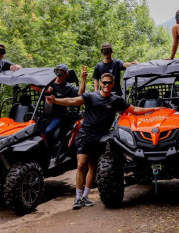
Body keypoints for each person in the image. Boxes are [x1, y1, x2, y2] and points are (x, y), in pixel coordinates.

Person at [46, 73, 161, 210]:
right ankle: (77, 198)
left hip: (101, 137)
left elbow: (133, 109)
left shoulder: (116, 100)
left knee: (93, 167)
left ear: (112, 84)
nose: (107, 85)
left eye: (109, 83)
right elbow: (73, 101)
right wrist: (56, 101)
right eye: (104, 82)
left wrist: (153, 110)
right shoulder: (91, 96)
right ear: (100, 83)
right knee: (81, 165)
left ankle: (86, 197)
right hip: (85, 135)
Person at [31, 64, 88, 148]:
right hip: (45, 115)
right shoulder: (49, 83)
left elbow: (80, 93)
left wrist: (83, 79)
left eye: (62, 72)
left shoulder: (68, 87)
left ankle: (50, 151)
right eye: (57, 71)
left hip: (59, 116)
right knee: (37, 132)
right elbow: (32, 86)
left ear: (66, 74)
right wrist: (45, 90)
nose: (59, 74)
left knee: (48, 131)